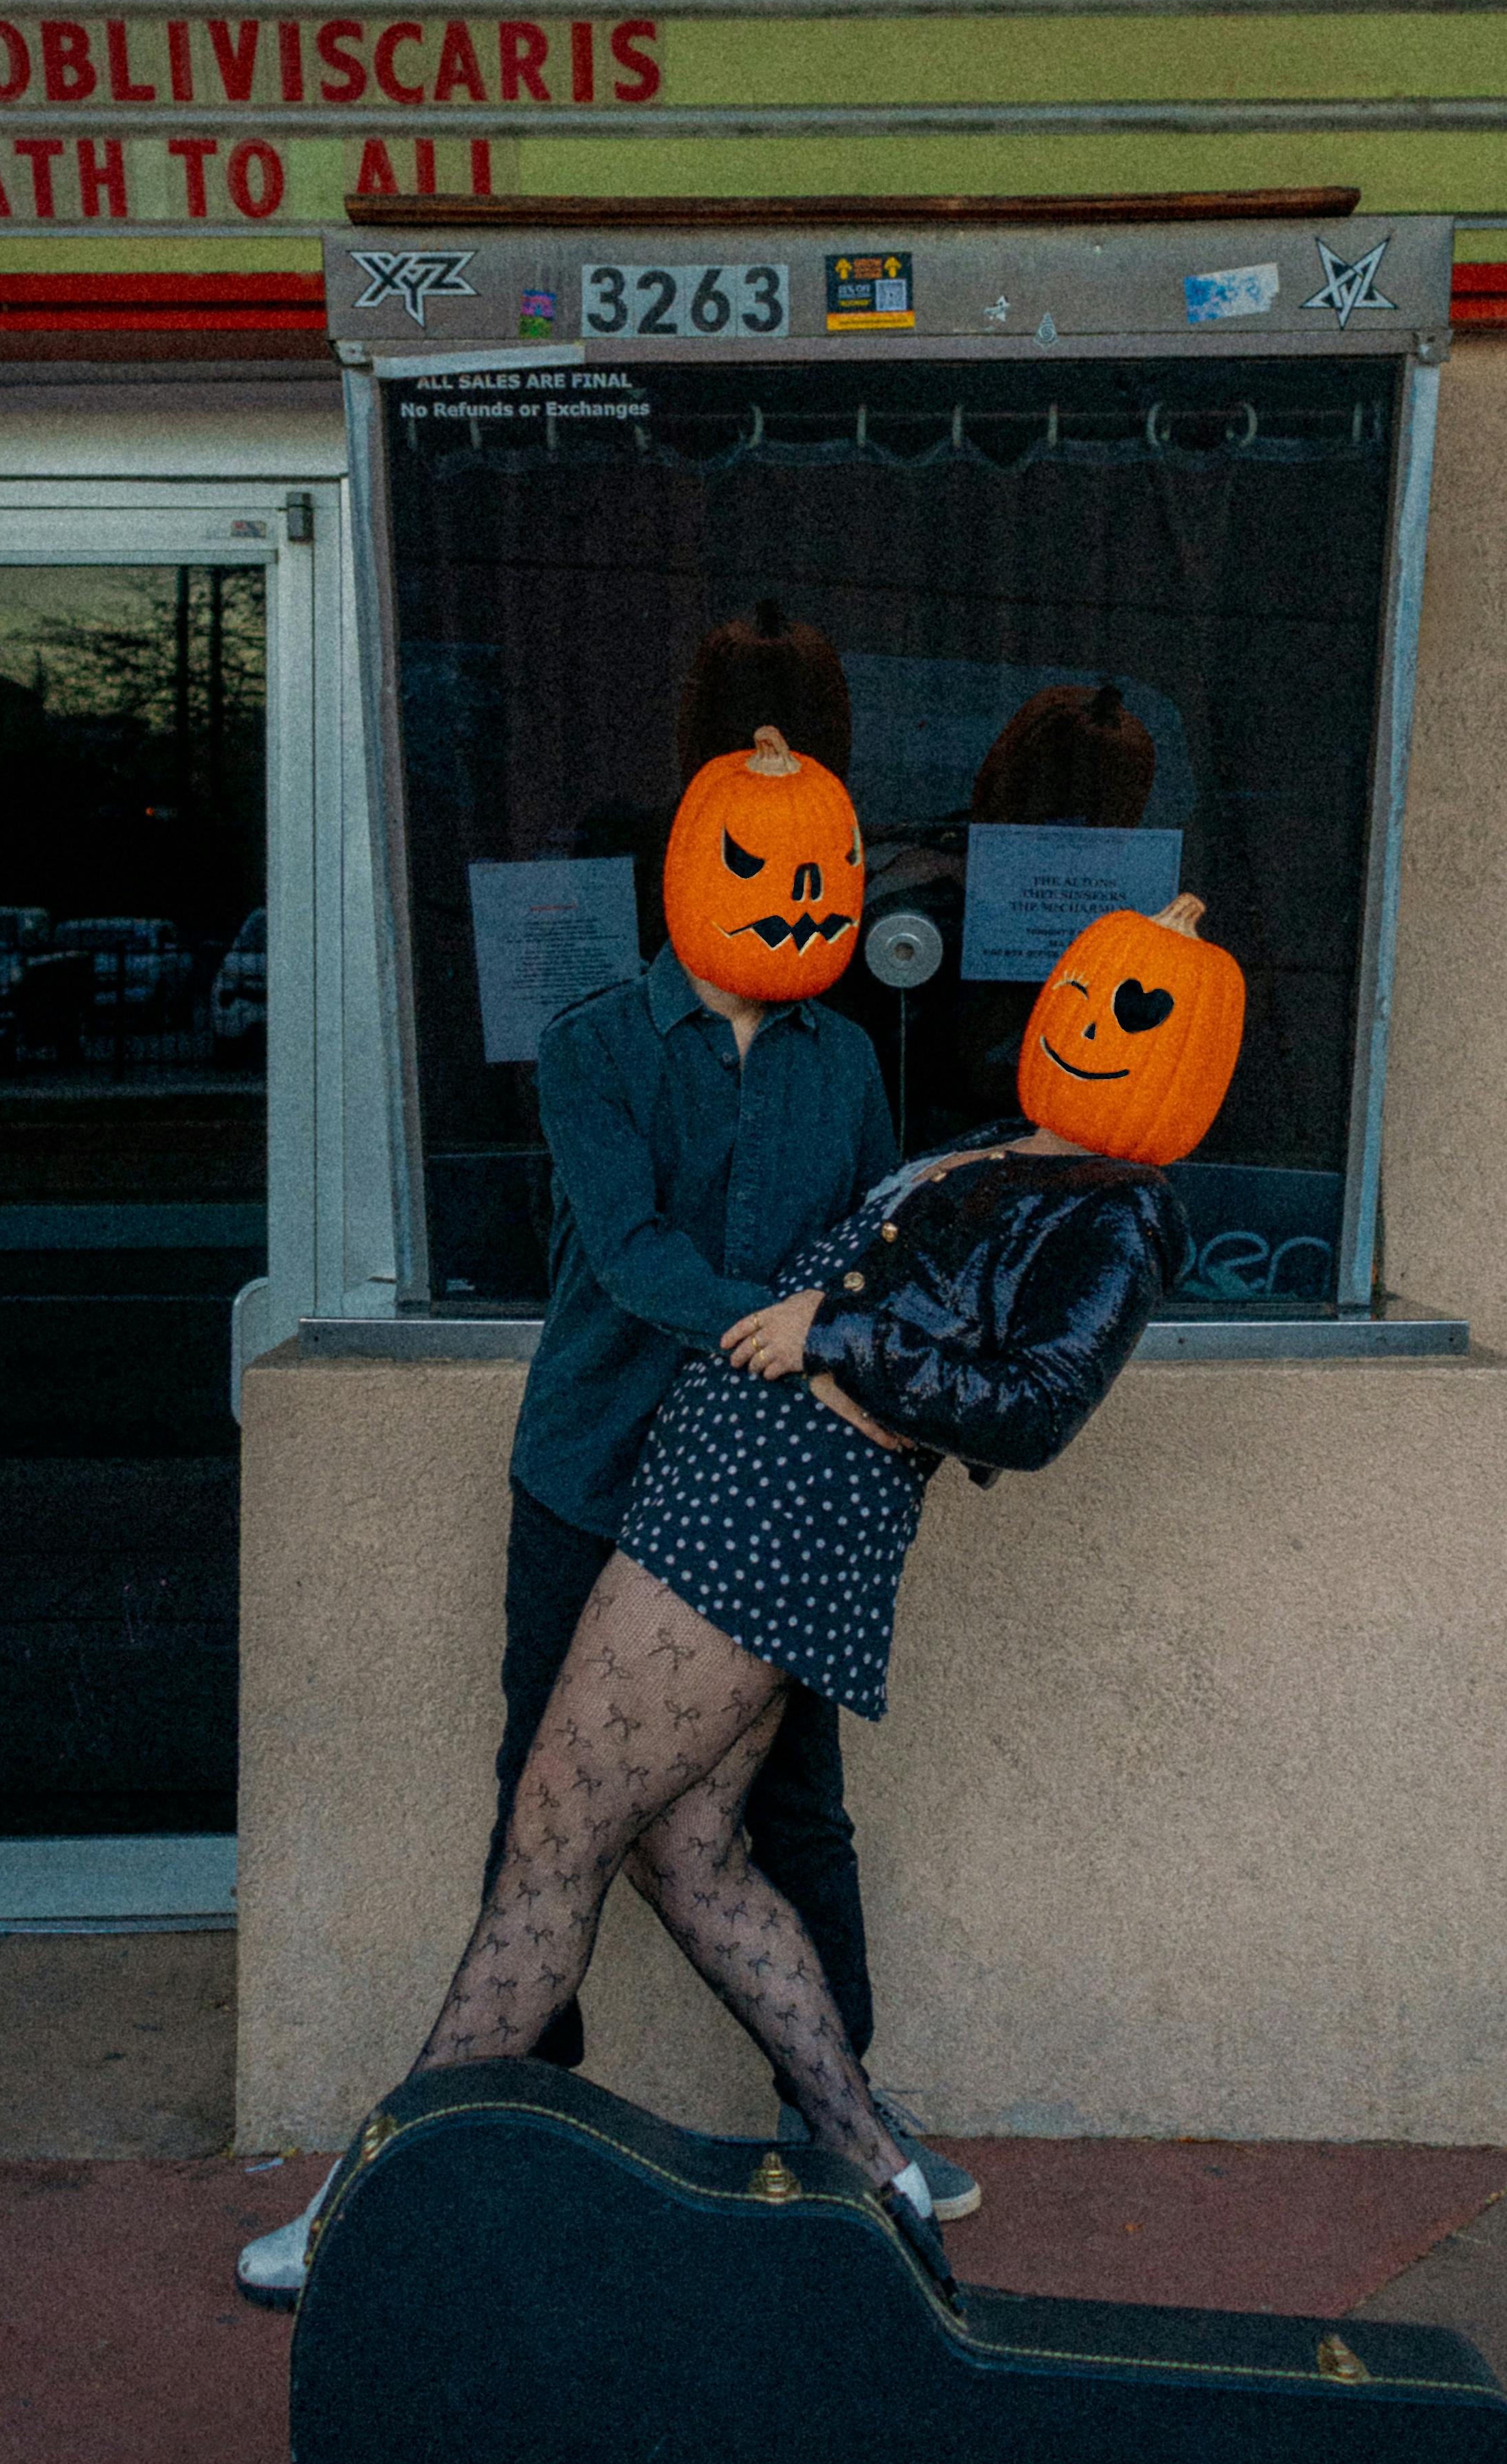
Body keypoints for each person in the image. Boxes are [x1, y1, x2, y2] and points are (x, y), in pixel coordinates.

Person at [365, 892, 1245, 2305]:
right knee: (684, 1855)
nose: (1084, 1021)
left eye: (1129, 1011)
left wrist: (828, 1339)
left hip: (760, 1517)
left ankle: (385, 2198)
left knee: (555, 1837)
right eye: (1081, 990)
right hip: (708, 1483)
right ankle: (873, 2165)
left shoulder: (1117, 1211)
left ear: (1186, 1054)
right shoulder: (999, 1148)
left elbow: (1025, 1410)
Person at [237, 725, 975, 2307]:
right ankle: (515, 2128)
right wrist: (785, 1330)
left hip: (756, 1496)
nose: (805, 903)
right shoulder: (591, 1045)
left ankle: (834, 2117)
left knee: (776, 1822)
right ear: (692, 880)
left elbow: (859, 1256)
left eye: (826, 878)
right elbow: (632, 1256)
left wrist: (854, 1337)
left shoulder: (842, 1059)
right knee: (551, 1817)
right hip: (592, 1474)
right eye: (771, 876)